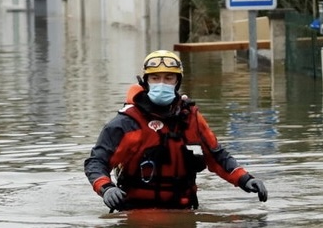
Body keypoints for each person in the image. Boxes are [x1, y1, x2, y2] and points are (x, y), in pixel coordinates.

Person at [84, 50, 268, 211]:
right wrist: (106, 187)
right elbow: (97, 162)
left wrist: (244, 179)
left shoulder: (190, 118)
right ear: (145, 81)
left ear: (177, 82)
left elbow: (217, 156)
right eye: (155, 78)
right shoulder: (126, 122)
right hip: (137, 212)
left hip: (183, 210)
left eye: (168, 78)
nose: (162, 83)